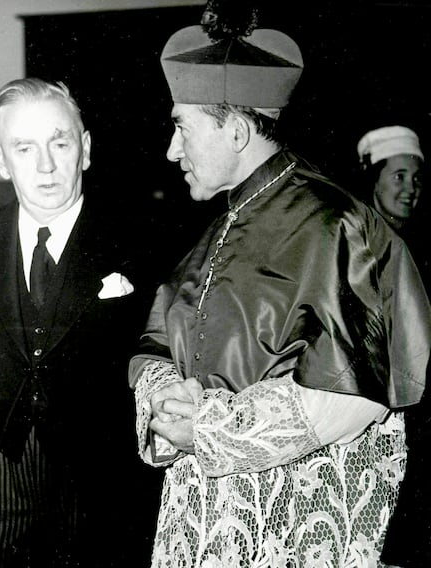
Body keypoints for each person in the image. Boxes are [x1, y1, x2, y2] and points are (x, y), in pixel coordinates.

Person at [129, 7, 431, 568]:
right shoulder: (216, 229)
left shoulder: (336, 226)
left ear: (237, 130)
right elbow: (156, 349)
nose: (172, 150)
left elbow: (346, 398)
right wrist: (164, 402)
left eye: (181, 126)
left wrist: (208, 428)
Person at [0, 77, 160, 567]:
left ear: (86, 148)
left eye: (60, 142)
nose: (46, 165)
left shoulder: (140, 240)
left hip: (100, 495)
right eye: (24, 148)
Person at [356, 127, 431, 567]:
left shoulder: (415, 243)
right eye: (399, 176)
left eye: (417, 179)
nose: (409, 188)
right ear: (374, 177)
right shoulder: (359, 238)